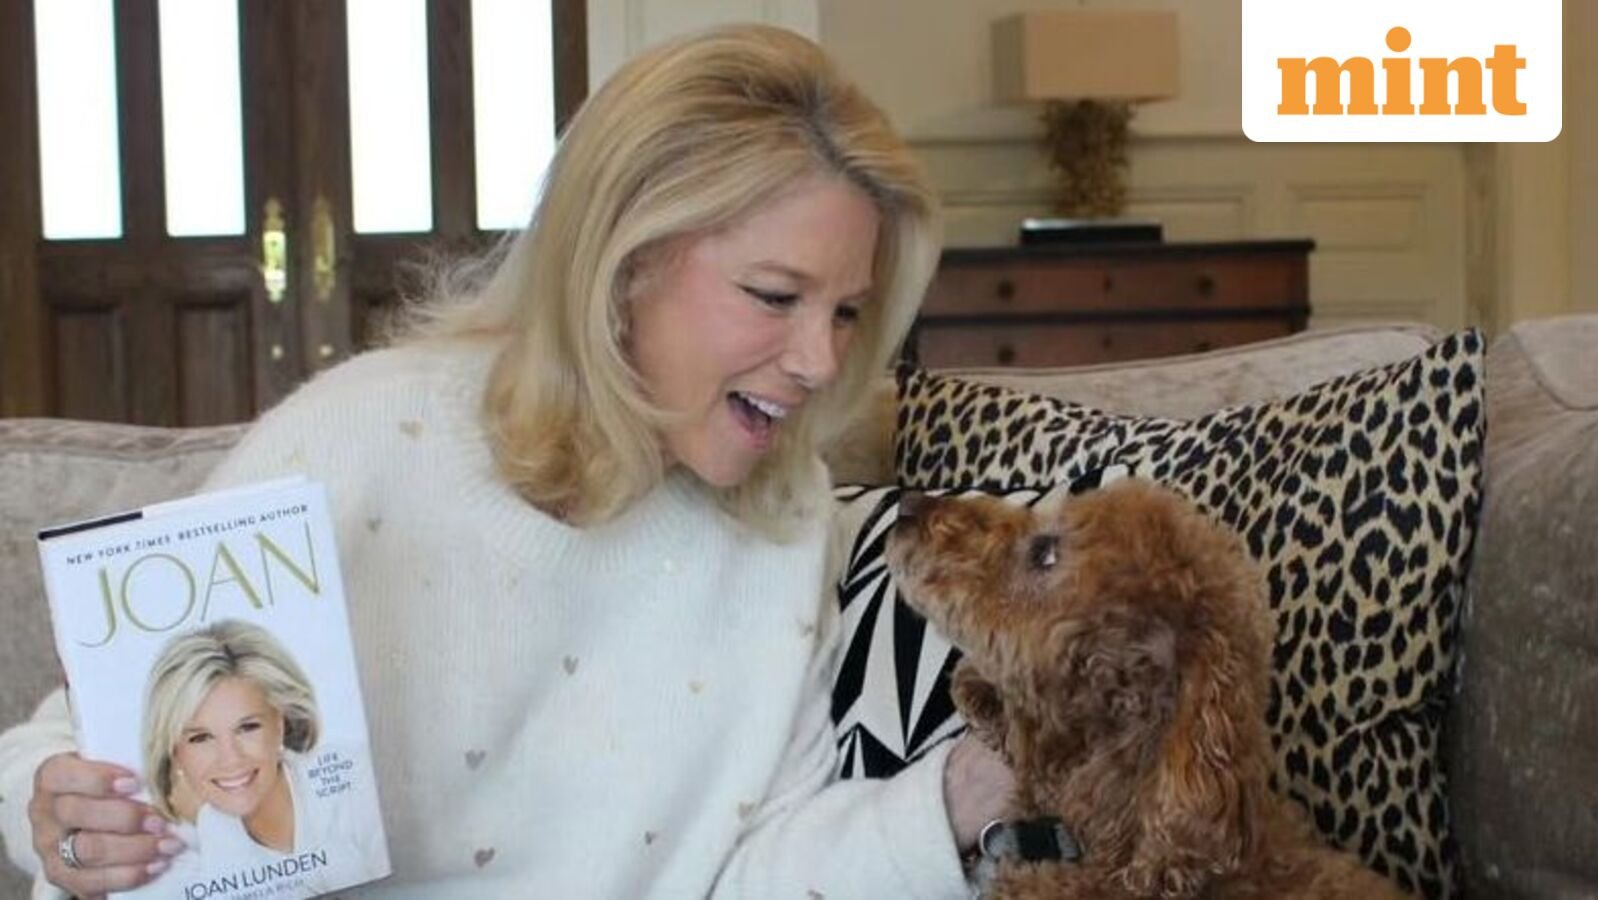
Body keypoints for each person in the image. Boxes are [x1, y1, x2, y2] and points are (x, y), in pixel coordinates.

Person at [0, 23, 1013, 898]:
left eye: (846, 312)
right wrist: (65, 816)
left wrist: (966, 794)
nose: (820, 362)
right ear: (623, 264)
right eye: (774, 296)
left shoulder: (782, 516)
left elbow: (756, 868)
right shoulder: (368, 434)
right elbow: (82, 734)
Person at [138, 620, 388, 896]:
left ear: (281, 722)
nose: (230, 759)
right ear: (174, 752)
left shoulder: (355, 775)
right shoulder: (188, 848)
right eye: (201, 738)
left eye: (247, 727)